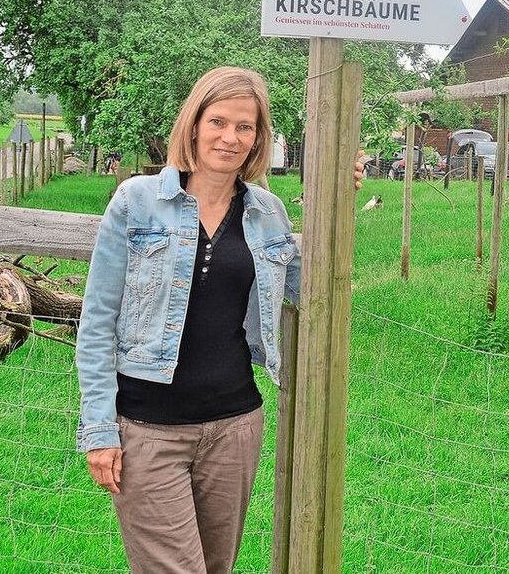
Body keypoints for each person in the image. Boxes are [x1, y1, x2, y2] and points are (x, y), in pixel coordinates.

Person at [76, 66, 361, 574]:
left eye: (245, 127)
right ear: (194, 124)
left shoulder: (268, 213)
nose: (230, 137)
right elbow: (97, 321)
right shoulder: (137, 201)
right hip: (149, 428)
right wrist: (100, 430)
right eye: (218, 122)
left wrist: (341, 203)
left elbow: (308, 290)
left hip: (234, 427)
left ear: (257, 139)